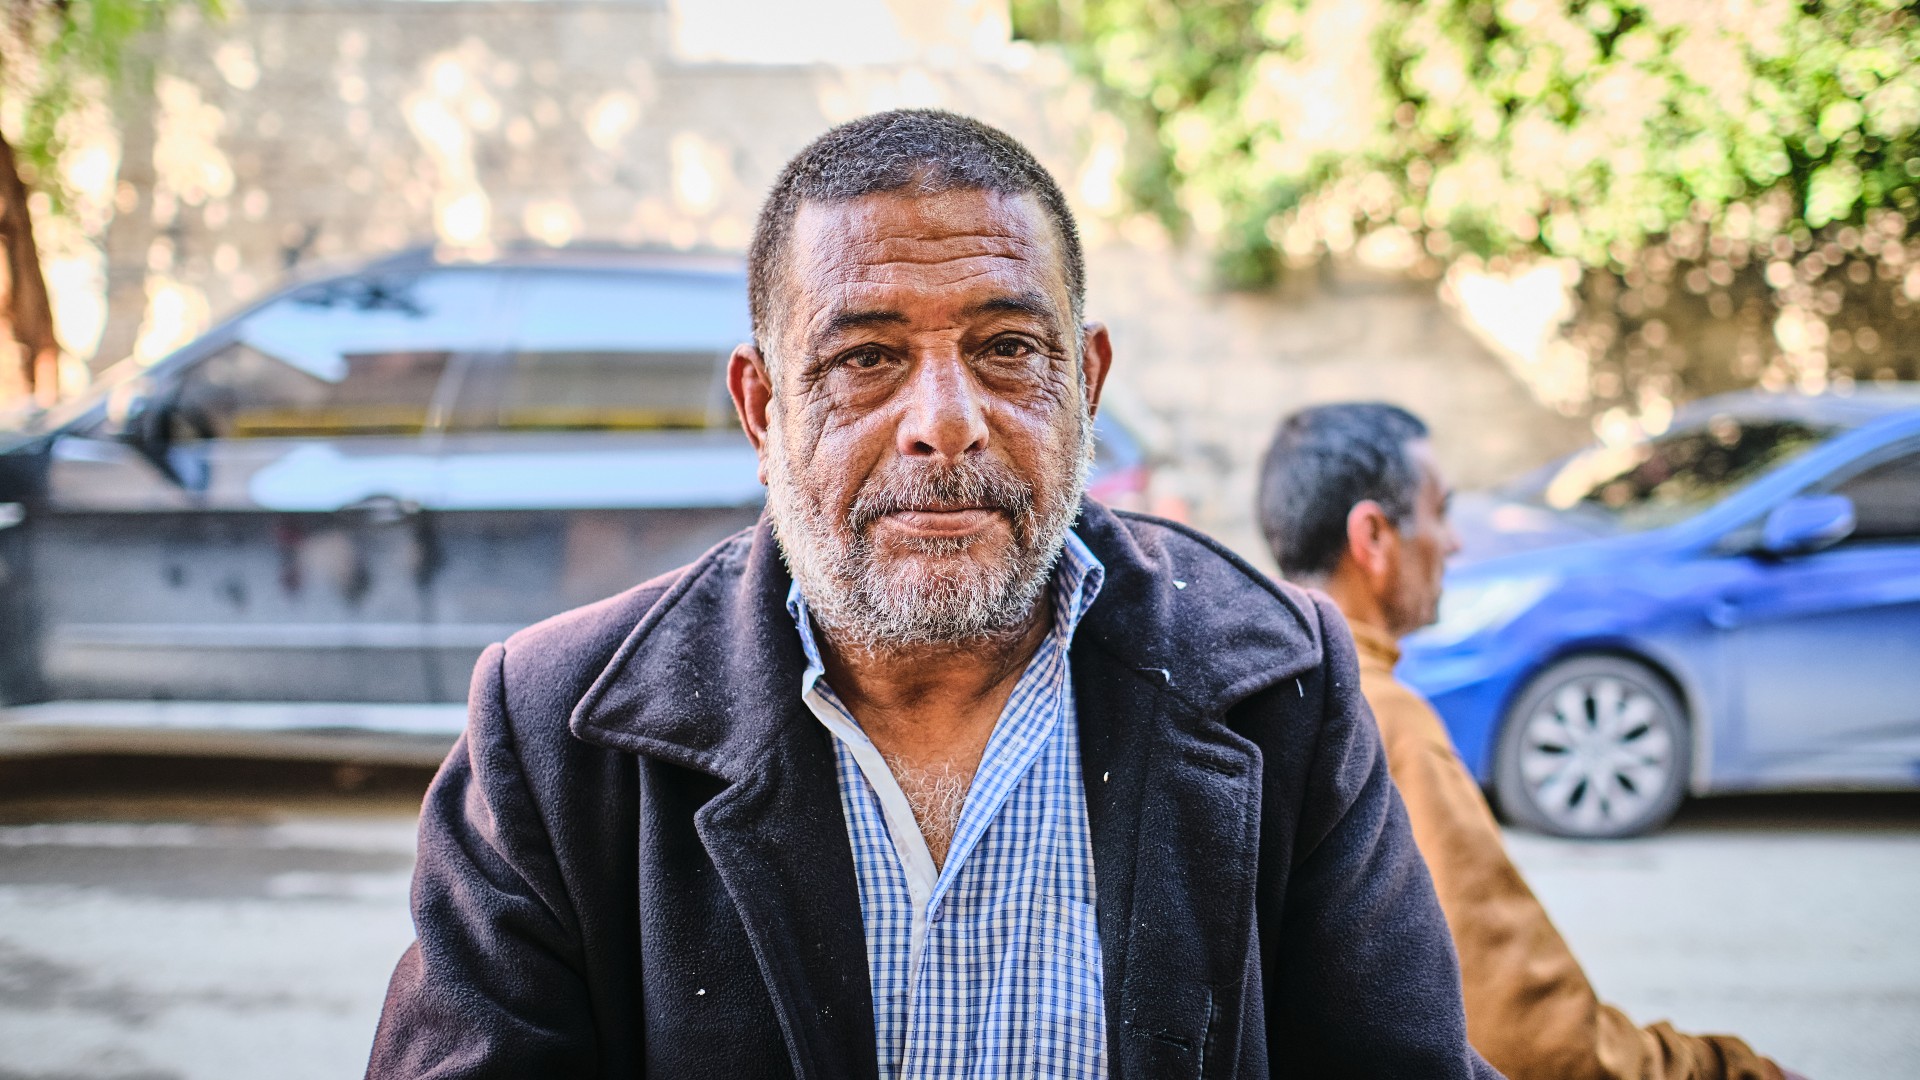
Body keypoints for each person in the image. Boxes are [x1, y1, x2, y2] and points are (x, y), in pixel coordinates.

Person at [367, 111, 1498, 1079]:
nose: (944, 420)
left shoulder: (1280, 684)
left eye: (1008, 347)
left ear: (1086, 384)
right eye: (865, 359)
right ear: (764, 410)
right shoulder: (558, 730)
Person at [1256, 402, 1801, 1080]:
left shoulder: (1260, 689)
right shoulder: (1384, 720)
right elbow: (1533, 1037)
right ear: (1373, 536)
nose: (1453, 543)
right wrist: (1727, 1071)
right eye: (1440, 512)